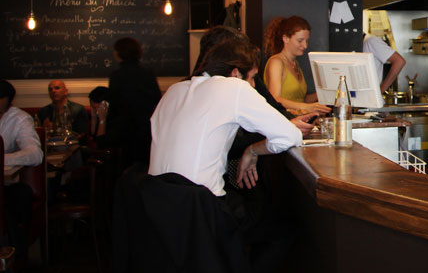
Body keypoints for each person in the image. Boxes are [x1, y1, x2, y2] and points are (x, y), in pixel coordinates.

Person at [149, 36, 302, 198]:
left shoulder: (174, 90)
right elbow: (291, 136)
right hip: (199, 206)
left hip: (154, 204)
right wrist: (252, 151)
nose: (254, 86)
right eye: (251, 78)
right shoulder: (233, 87)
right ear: (236, 73)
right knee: (265, 207)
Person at [0, 80, 43, 253]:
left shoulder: (19, 119)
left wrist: (2, 159)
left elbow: (35, 154)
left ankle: (13, 257)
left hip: (6, 186)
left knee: (17, 197)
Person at [107, 37, 163, 170]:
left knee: (126, 169)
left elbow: (114, 106)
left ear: (119, 53)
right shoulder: (148, 73)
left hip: (124, 131)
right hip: (145, 129)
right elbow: (157, 99)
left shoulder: (117, 76)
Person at [262, 17, 329, 116]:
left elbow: (301, 100)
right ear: (286, 39)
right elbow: (275, 98)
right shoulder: (276, 62)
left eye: (306, 41)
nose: (305, 46)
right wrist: (308, 107)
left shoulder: (295, 64)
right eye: (300, 41)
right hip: (283, 120)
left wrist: (324, 94)